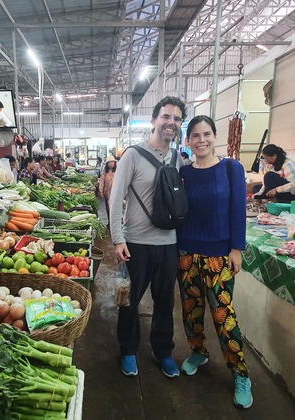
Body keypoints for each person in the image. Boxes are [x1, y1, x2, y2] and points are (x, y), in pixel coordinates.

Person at [176, 115, 252, 408]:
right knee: (190, 310)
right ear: (188, 141)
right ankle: (198, 351)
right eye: (195, 135)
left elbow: (238, 210)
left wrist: (236, 249)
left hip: (219, 255)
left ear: (215, 136)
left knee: (224, 316)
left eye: (206, 134)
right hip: (187, 252)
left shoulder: (231, 169)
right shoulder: (184, 173)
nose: (201, 140)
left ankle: (241, 373)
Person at [108, 95, 186, 378]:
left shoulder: (178, 159)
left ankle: (163, 351)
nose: (171, 122)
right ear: (154, 120)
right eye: (166, 117)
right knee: (130, 299)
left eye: (176, 118)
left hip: (168, 243)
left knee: (165, 302)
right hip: (136, 243)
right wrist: (118, 239)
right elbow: (116, 199)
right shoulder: (132, 155)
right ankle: (128, 350)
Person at [98, 155, 117, 225]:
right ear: (107, 164)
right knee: (108, 208)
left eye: (112, 162)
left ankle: (115, 222)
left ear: (114, 163)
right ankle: (109, 222)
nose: (111, 164)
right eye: (109, 163)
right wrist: (101, 190)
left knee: (115, 208)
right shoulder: (105, 171)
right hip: (107, 193)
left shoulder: (118, 171)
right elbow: (102, 181)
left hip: (116, 193)